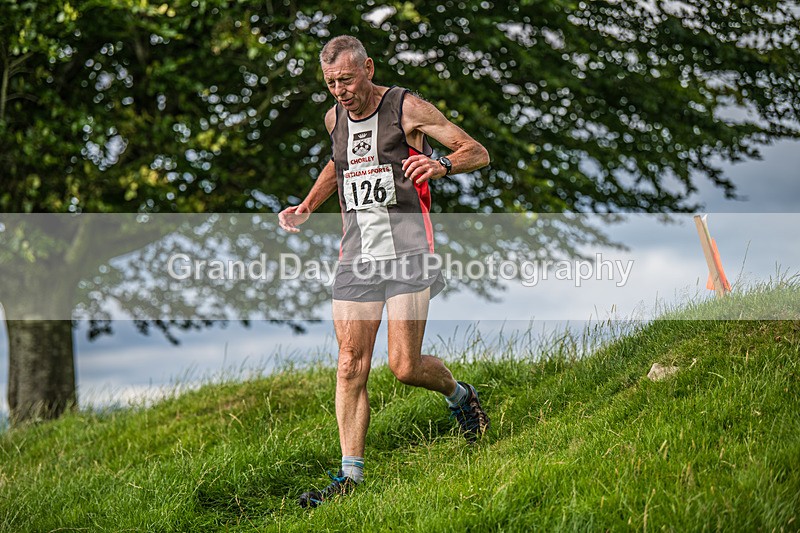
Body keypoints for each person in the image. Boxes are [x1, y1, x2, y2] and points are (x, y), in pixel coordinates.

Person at [278, 35, 491, 509]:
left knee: (404, 366)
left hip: (409, 251)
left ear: (368, 68)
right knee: (350, 364)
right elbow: (339, 165)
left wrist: (440, 165)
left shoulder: (405, 108)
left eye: (348, 80)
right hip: (356, 256)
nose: (340, 91)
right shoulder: (334, 118)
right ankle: (350, 478)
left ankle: (461, 396)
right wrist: (309, 205)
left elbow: (475, 151)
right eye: (331, 83)